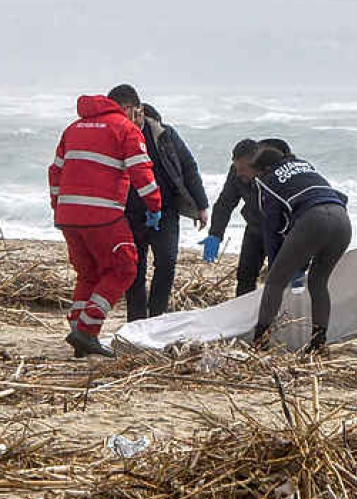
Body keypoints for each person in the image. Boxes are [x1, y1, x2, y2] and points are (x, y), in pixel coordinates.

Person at [49, 84, 162, 358]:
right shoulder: (125, 128)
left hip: (68, 215)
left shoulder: (74, 128)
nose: (139, 119)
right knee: (124, 268)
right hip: (102, 214)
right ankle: (87, 330)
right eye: (137, 112)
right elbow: (141, 172)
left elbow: (55, 172)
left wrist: (58, 206)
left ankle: (79, 330)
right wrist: (155, 205)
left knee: (89, 273)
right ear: (128, 108)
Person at [248, 147, 351, 354]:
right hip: (342, 220)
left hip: (314, 220)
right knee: (318, 282)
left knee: (275, 282)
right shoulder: (305, 166)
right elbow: (339, 196)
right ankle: (318, 342)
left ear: (264, 169)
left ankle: (260, 341)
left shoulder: (266, 180)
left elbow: (272, 227)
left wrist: (276, 262)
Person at [123, 102, 210, 320]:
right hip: (130, 212)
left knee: (167, 261)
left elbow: (188, 166)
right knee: (135, 268)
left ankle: (157, 316)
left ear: (139, 110)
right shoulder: (118, 135)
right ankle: (135, 320)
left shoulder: (164, 134)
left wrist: (201, 205)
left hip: (166, 210)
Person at [202, 138, 293, 296]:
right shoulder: (237, 172)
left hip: (281, 231)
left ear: (256, 163)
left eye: (243, 169)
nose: (239, 174)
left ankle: (276, 314)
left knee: (278, 276)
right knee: (245, 275)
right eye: (237, 168)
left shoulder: (278, 170)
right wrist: (215, 234)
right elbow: (225, 203)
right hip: (256, 226)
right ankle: (242, 314)